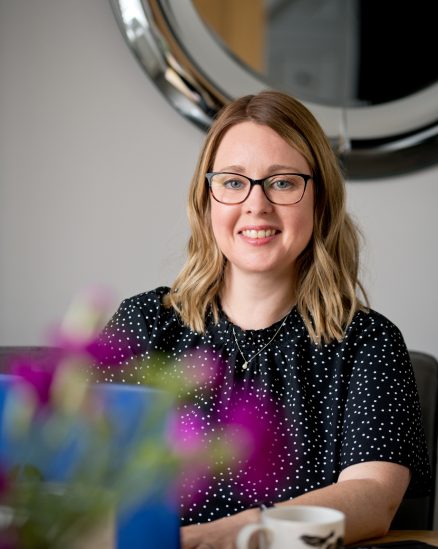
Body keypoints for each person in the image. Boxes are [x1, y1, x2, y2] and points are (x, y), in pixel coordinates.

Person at [92, 90, 431, 548]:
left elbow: (373, 498)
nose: (257, 204)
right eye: (233, 182)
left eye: (283, 182)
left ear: (319, 199)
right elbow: (84, 478)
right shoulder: (145, 324)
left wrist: (220, 538)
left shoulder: (369, 342)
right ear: (207, 200)